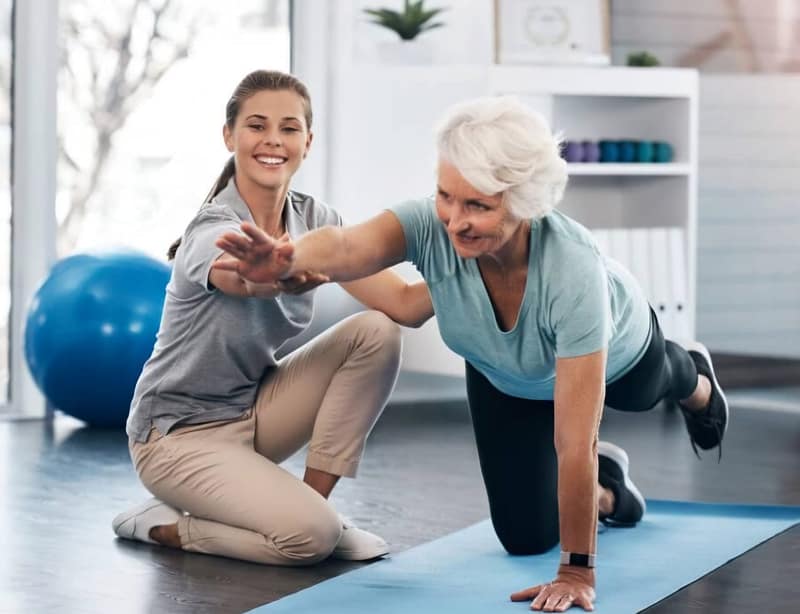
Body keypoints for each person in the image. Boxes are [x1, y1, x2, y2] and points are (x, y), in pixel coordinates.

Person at [215, 96, 729, 612]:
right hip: (504, 375)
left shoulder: (573, 272)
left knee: (651, 386)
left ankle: (696, 377)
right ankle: (608, 491)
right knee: (525, 537)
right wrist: (287, 259)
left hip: (619, 354)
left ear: (526, 202)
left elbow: (575, 441)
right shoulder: (430, 226)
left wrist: (577, 570)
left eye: (479, 206)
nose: (455, 221)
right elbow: (350, 248)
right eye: (446, 196)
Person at [111, 69, 436, 566]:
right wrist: (270, 274)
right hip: (175, 437)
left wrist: (479, 259)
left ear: (307, 141)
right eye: (256, 126)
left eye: (288, 128)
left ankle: (312, 506)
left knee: (376, 332)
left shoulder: (317, 220)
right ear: (229, 136)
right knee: (307, 541)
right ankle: (168, 527)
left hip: (253, 412)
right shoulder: (212, 228)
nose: (273, 141)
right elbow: (241, 277)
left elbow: (406, 306)